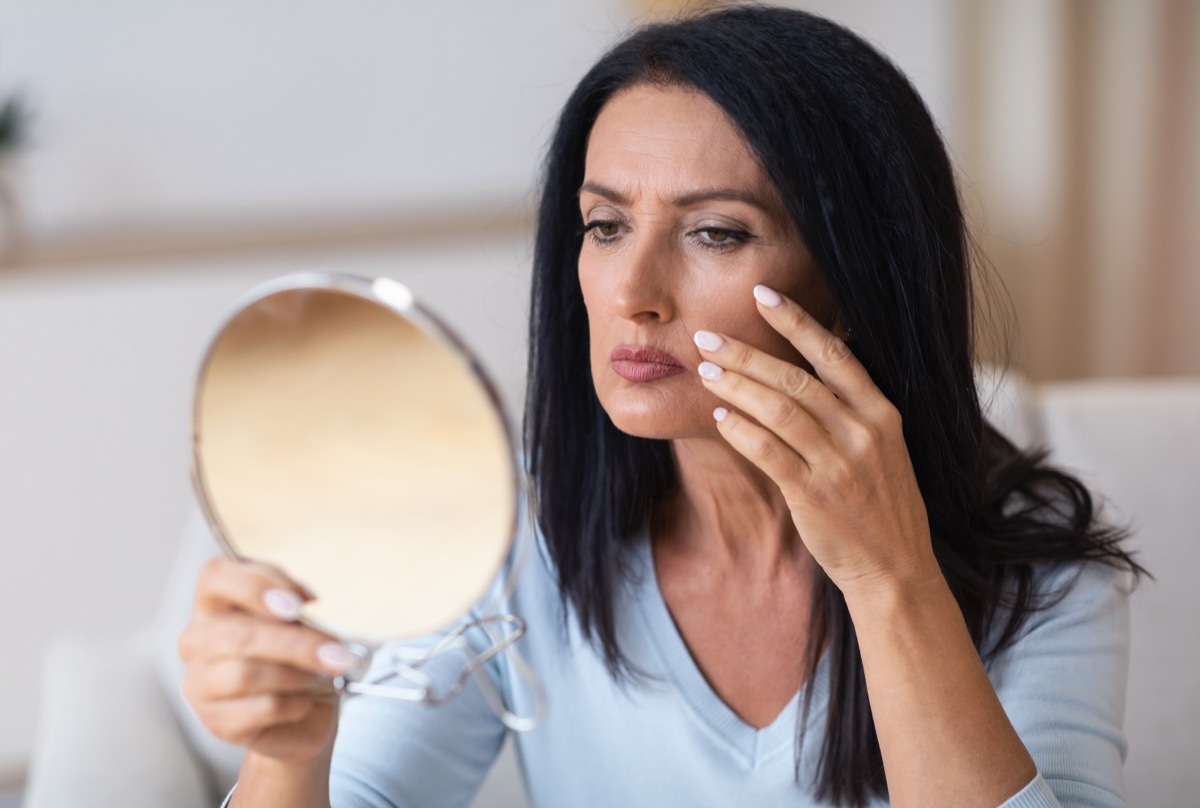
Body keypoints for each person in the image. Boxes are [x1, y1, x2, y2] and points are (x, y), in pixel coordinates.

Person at [179, 6, 1144, 807]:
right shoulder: (516, 537)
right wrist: (287, 751)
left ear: (850, 281)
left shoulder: (1045, 570)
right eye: (604, 225)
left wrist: (892, 583)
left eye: (716, 233)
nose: (632, 288)